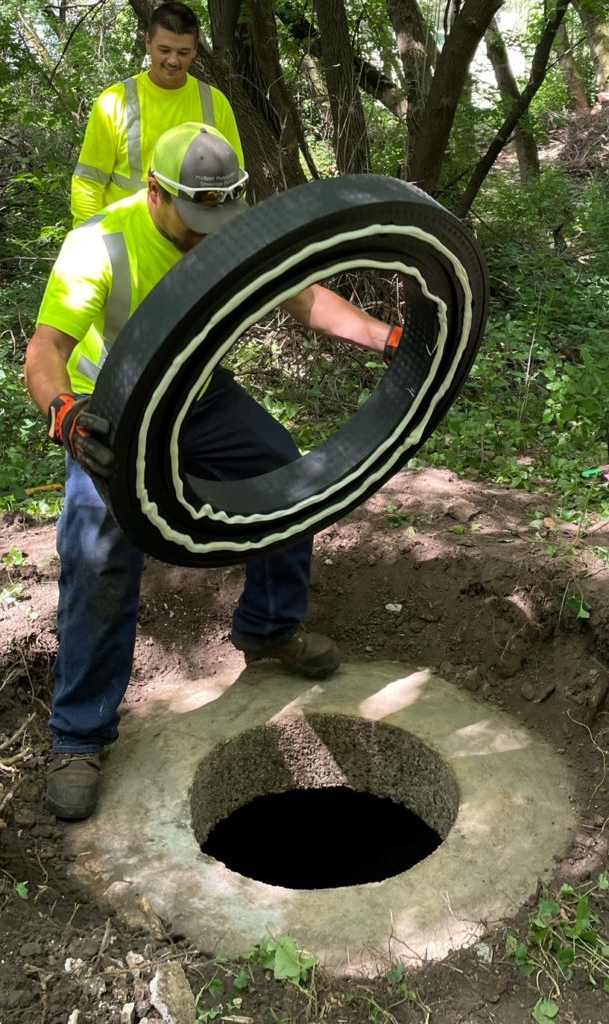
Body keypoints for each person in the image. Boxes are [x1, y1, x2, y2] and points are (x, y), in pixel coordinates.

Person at [26, 122, 399, 820]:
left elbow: (303, 295)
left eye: (218, 216)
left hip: (198, 398)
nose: (208, 235)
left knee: (286, 477)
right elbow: (44, 352)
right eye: (193, 218)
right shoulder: (98, 244)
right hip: (111, 420)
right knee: (99, 555)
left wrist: (386, 336)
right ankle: (79, 737)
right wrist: (64, 415)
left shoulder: (227, 226)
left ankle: (269, 628)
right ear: (154, 192)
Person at [70, 1, 243, 227]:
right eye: (164, 50)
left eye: (183, 52)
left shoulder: (215, 103)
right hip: (128, 243)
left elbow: (234, 183)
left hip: (195, 241)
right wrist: (86, 240)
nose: (173, 60)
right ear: (148, 44)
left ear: (194, 52)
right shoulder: (114, 102)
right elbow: (88, 181)